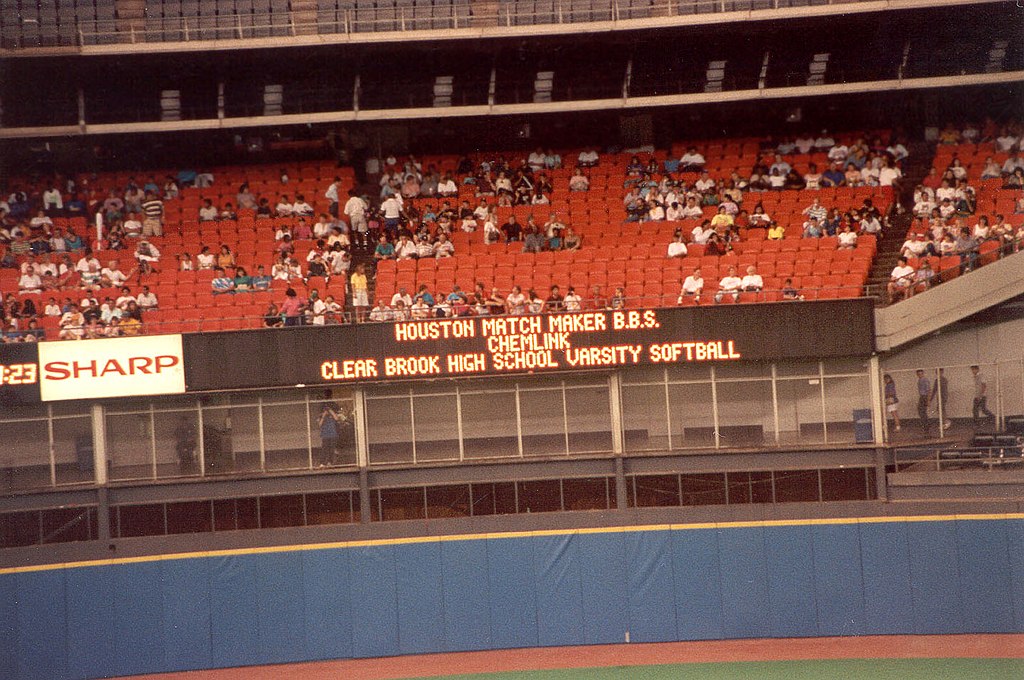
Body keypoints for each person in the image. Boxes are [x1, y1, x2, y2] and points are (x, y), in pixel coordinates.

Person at [317, 402, 341, 467]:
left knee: (331, 449)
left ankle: (330, 462)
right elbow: (320, 424)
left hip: (333, 434)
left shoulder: (332, 415)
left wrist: (331, 411)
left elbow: (336, 418)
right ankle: (322, 462)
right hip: (325, 435)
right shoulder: (321, 416)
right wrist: (324, 416)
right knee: (324, 449)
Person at [929, 368, 950, 432]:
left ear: (942, 372)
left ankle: (946, 422)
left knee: (941, 409)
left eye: (940, 372)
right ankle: (944, 422)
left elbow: (943, 389)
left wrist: (944, 397)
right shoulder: (937, 380)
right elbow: (935, 390)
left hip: (943, 396)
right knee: (939, 409)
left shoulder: (943, 380)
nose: (938, 373)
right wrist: (931, 399)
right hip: (940, 396)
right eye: (937, 372)